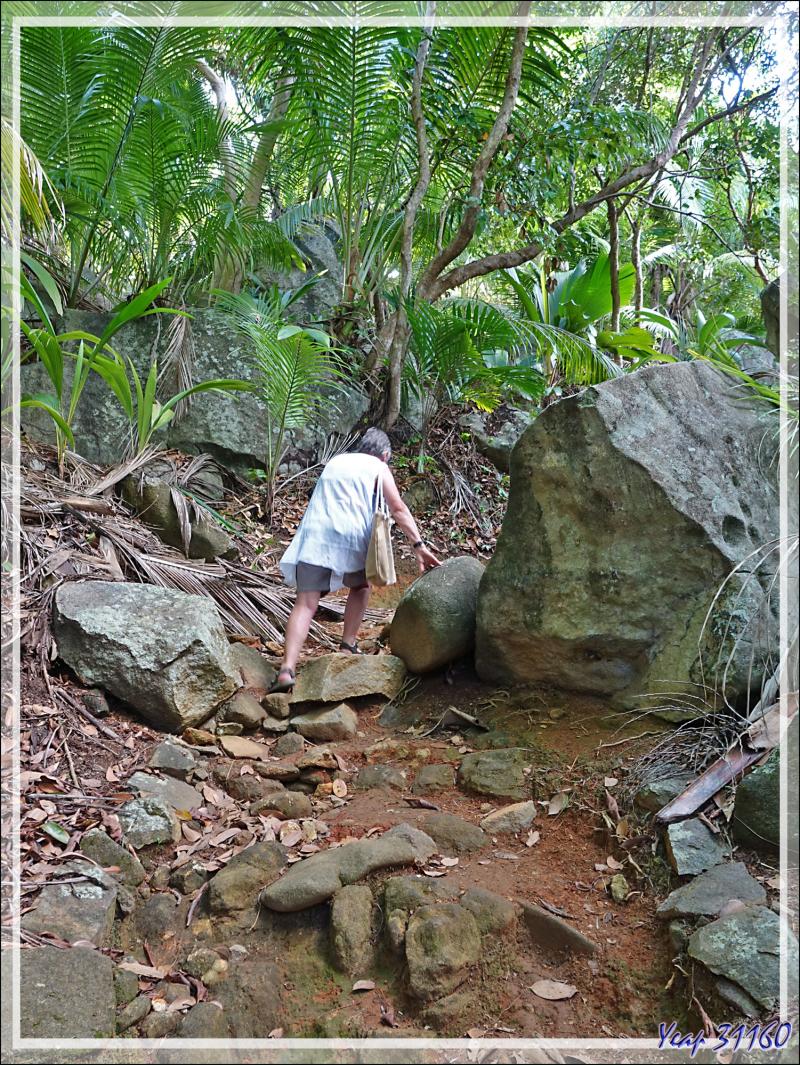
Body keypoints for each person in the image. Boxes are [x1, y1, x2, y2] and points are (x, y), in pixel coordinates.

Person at [270, 427, 440, 692]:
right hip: (351, 536)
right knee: (361, 586)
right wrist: (418, 545)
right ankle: (348, 644)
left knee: (305, 604)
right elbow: (397, 508)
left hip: (315, 533)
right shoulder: (378, 467)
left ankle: (286, 669)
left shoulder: (336, 460)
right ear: (385, 455)